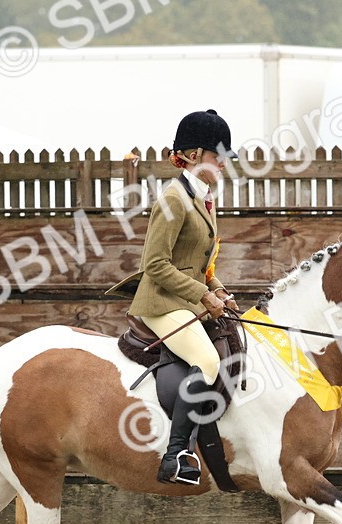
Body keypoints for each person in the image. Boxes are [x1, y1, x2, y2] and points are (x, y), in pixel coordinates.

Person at [129, 109, 240, 485]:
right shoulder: (173, 199)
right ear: (194, 155)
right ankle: (176, 455)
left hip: (186, 299)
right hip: (161, 302)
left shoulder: (204, 198)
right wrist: (203, 296)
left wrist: (217, 288)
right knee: (207, 360)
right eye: (218, 156)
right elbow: (154, 264)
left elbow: (197, 264)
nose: (223, 163)